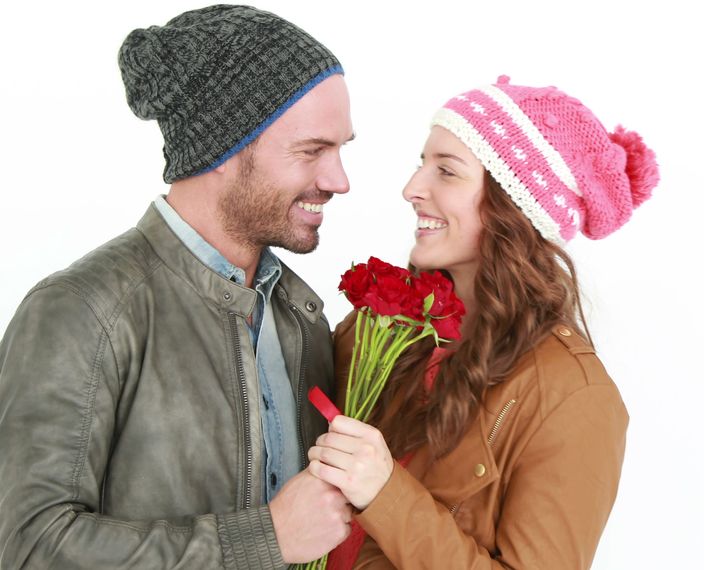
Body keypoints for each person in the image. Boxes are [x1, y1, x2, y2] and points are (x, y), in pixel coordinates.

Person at [0, 5, 357, 568]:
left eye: (342, 149)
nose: (339, 180)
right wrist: (263, 538)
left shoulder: (300, 315)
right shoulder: (83, 311)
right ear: (224, 147)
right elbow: (27, 547)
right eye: (312, 150)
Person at [308, 75, 659, 569]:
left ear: (512, 209)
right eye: (421, 164)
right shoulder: (383, 325)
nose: (412, 188)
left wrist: (386, 494)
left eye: (446, 172)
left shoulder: (572, 397)